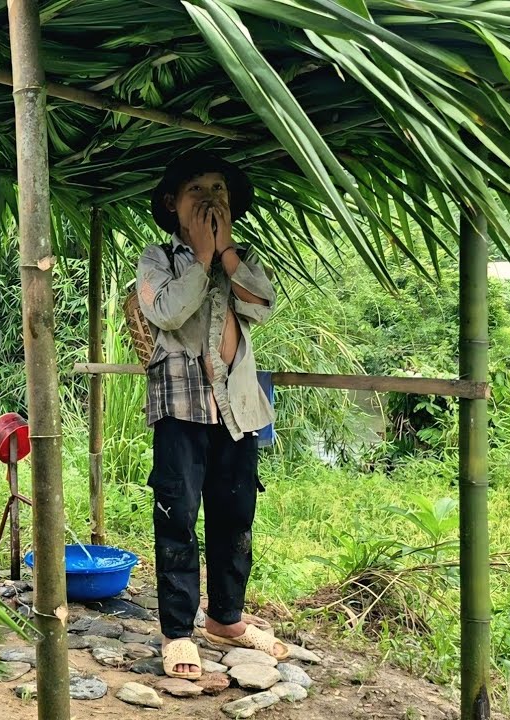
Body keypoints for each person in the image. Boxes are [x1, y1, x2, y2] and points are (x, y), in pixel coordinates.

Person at [135, 150, 288, 680]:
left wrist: (222, 255)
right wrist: (200, 258)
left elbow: (262, 306)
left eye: (218, 190)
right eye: (195, 190)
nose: (209, 199)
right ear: (173, 205)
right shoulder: (157, 260)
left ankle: (226, 618)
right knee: (177, 515)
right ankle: (177, 632)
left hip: (235, 408)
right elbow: (166, 311)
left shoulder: (238, 262)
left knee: (236, 512)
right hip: (179, 404)